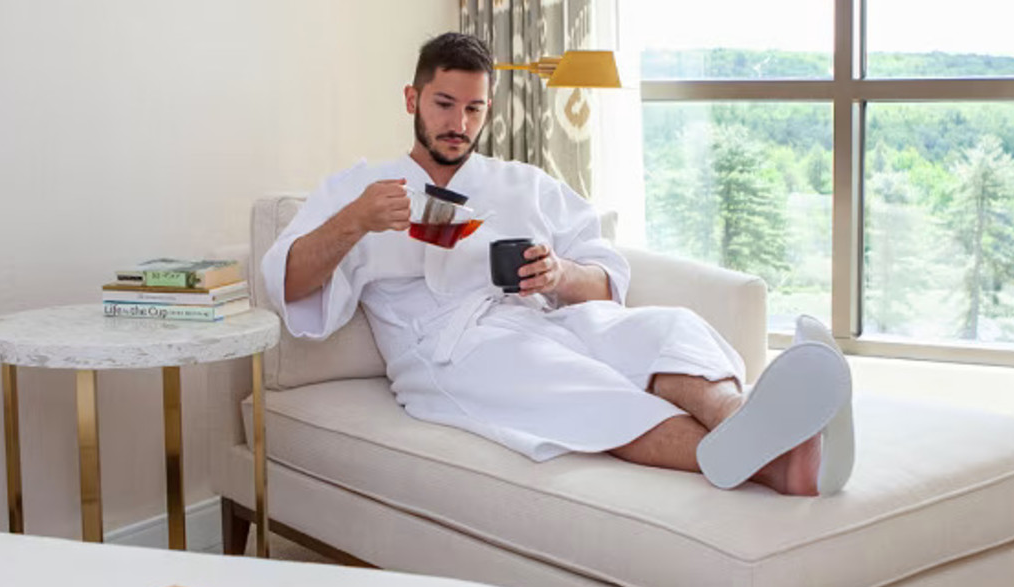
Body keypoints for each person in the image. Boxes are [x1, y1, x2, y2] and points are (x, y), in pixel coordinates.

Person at [260, 32, 853, 496]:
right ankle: (781, 465)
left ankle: (748, 420)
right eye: (444, 104)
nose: (458, 124)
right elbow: (285, 282)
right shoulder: (359, 186)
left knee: (667, 326)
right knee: (579, 385)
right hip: (446, 348)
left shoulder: (523, 183)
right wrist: (354, 221)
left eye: (474, 109)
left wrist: (560, 276)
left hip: (542, 316)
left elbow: (604, 277)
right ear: (413, 99)